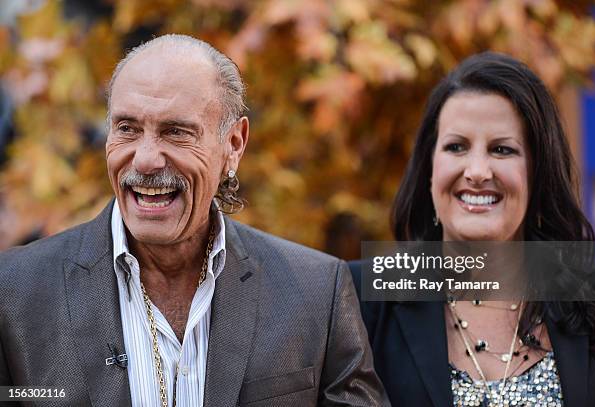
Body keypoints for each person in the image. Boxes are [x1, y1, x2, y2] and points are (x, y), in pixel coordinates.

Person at [0, 34, 389, 406]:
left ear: (233, 145)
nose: (145, 159)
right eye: (127, 129)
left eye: (176, 132)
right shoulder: (13, 292)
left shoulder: (316, 291)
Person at [350, 52, 595, 406]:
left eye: (502, 150)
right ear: (430, 168)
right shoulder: (360, 301)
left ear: (537, 172)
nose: (477, 171)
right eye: (456, 147)